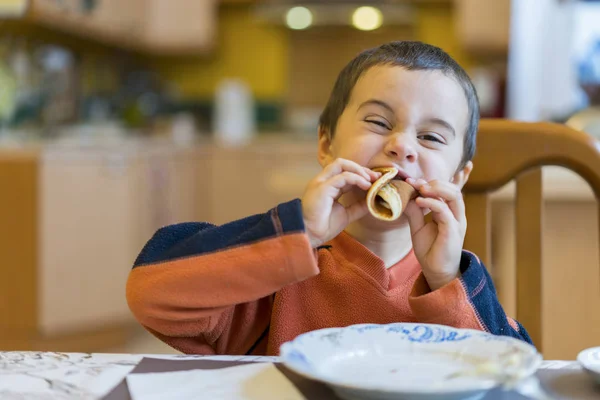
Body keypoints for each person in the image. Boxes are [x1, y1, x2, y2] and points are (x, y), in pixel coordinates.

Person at [126, 41, 532, 356]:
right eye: (377, 121)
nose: (402, 146)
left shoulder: (456, 281)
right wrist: (300, 231)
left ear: (458, 178)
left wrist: (447, 280)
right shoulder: (277, 267)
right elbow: (150, 295)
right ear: (326, 143)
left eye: (430, 137)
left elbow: (513, 369)